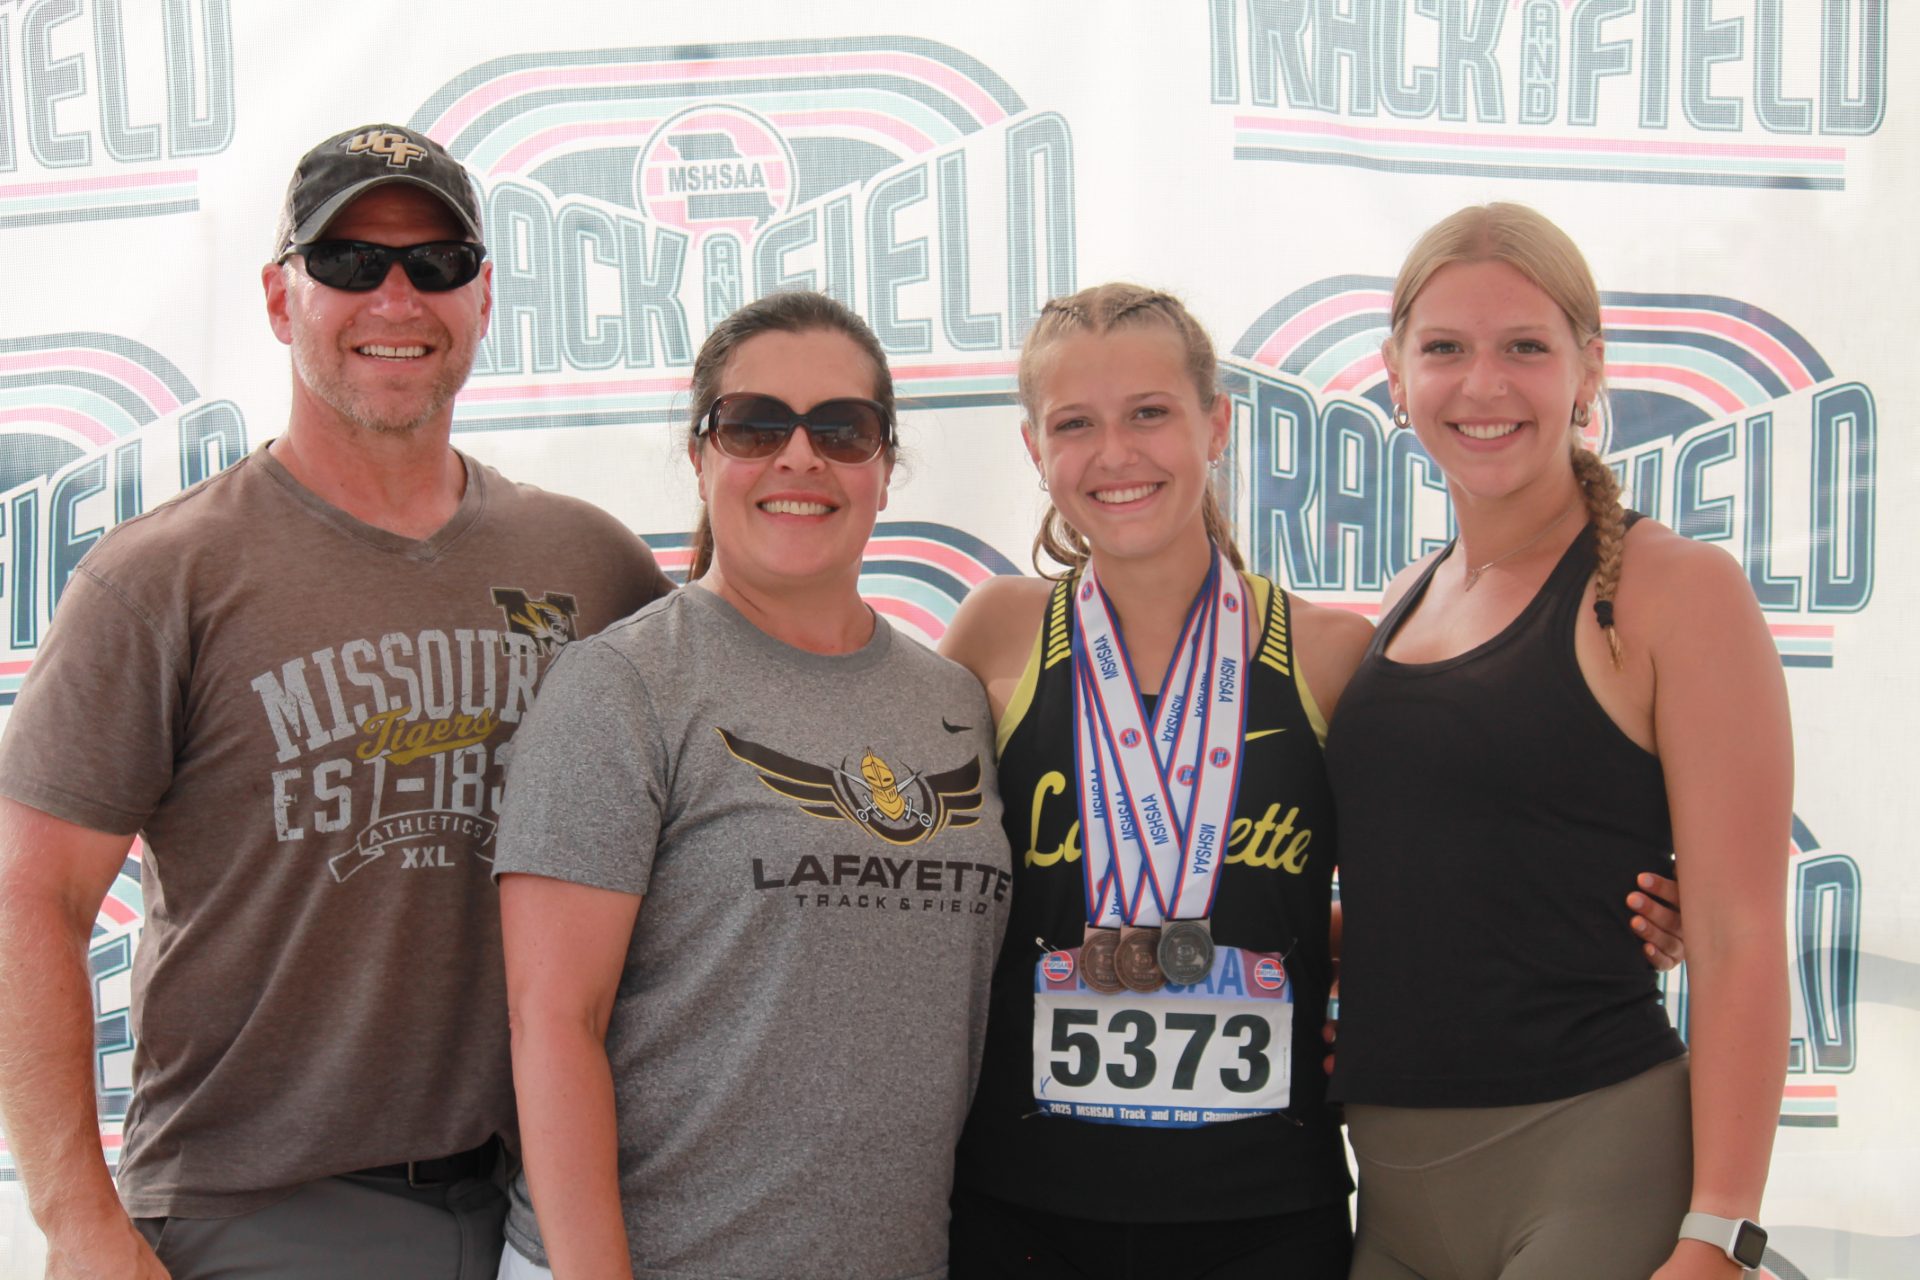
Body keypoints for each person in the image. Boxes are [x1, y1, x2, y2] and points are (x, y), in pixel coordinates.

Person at [0, 123, 672, 1279]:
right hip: (254, 1210)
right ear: (281, 298)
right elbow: (30, 895)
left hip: (533, 1211)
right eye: (349, 262)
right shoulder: (163, 577)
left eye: (437, 262)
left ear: (483, 297)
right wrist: (79, 1222)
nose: (395, 296)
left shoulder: (591, 565)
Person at [936, 283, 1688, 1279]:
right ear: (1035, 448)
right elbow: (914, 881)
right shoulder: (996, 633)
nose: (1116, 452)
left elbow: (1439, 874)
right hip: (1026, 1202)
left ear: (1217, 425)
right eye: (1076, 423)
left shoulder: (1330, 653)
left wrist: (1612, 907)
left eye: (1150, 412)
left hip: (1265, 1210)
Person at [493, 290, 1013, 1280]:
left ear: (885, 467)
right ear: (700, 456)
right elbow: (553, 1022)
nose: (799, 457)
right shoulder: (624, 685)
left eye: (842, 429)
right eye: (755, 425)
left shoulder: (951, 699)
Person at [1326, 203, 1790, 1280]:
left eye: (1525, 347)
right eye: (1446, 348)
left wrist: (1721, 1233)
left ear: (1589, 368)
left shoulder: (1675, 590)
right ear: (1395, 373)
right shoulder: (1404, 597)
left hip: (1594, 1165)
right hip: (1390, 1188)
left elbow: (1739, 934)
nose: (1483, 385)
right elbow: (1442, 876)